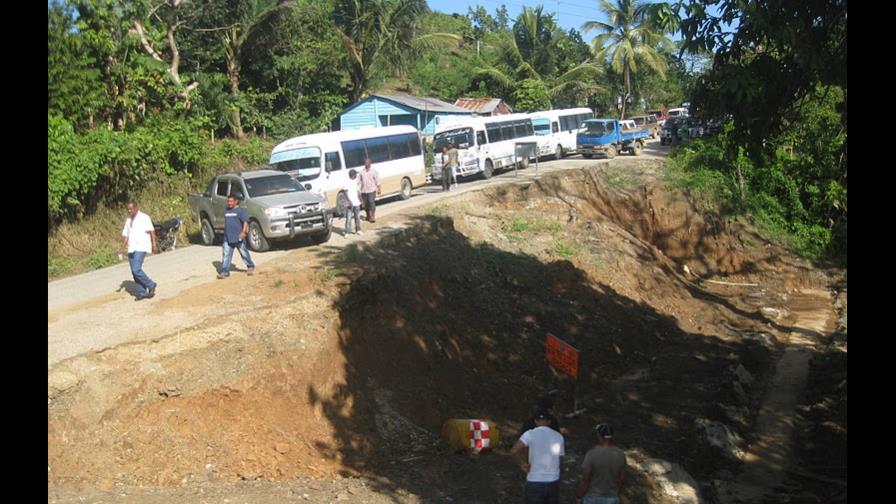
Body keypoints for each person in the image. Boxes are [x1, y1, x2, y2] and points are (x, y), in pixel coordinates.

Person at [511, 410, 566, 504]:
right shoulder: (558, 436)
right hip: (553, 481)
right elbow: (560, 459)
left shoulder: (529, 434)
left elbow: (514, 451)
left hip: (534, 480)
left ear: (535, 421)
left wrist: (522, 464)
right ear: (549, 422)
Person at [576, 423, 627, 504]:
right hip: (612, 497)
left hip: (592, 497)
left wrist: (579, 496)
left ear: (599, 436)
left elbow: (585, 480)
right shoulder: (620, 454)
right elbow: (622, 478)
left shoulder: (591, 454)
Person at [119, 200, 159, 300]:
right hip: (131, 247)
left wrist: (154, 244)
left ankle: (151, 284)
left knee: (136, 269)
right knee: (134, 271)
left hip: (141, 246)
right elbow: (126, 236)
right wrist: (121, 249)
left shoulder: (144, 218)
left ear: (136, 208)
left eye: (131, 209)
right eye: (128, 209)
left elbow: (152, 231)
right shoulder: (128, 220)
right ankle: (142, 292)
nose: (129, 211)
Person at [218, 194, 256, 279]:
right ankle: (225, 272)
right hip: (227, 238)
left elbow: (245, 222)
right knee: (226, 254)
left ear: (236, 201)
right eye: (228, 201)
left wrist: (243, 232)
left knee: (244, 253)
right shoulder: (227, 210)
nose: (229, 203)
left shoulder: (240, 211)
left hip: (238, 237)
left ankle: (250, 266)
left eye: (231, 201)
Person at [359, 158, 381, 223]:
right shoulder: (362, 172)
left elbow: (377, 180)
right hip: (364, 191)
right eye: (365, 163)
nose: (366, 164)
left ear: (370, 163)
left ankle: (373, 216)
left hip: (372, 190)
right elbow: (359, 181)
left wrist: (379, 189)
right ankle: (368, 215)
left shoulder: (374, 171)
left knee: (371, 202)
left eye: (367, 163)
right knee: (365, 204)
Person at [343, 169, 363, 235]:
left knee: (357, 217)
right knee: (348, 218)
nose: (356, 175)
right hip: (349, 204)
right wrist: (349, 201)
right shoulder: (347, 182)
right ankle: (347, 232)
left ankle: (358, 230)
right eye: (355, 174)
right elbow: (345, 192)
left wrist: (361, 201)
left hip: (356, 202)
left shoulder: (356, 182)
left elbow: (358, 192)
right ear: (352, 175)